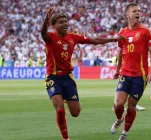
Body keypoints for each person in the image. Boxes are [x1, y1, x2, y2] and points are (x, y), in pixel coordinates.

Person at [41, 7, 124, 140]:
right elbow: (42, 33)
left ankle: (65, 97)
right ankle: (66, 138)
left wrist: (113, 39)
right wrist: (46, 19)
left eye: (65, 21)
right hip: (53, 77)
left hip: (67, 77)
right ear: (54, 25)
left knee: (75, 112)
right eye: (61, 22)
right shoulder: (50, 37)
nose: (65, 24)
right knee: (60, 110)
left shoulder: (73, 37)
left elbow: (94, 40)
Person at [110, 3, 151, 140]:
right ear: (128, 14)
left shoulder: (145, 31)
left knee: (131, 106)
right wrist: (118, 70)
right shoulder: (122, 33)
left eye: (139, 11)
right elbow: (120, 53)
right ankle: (119, 119)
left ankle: (124, 133)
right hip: (125, 73)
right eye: (134, 11)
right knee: (118, 104)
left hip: (140, 76)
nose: (138, 13)